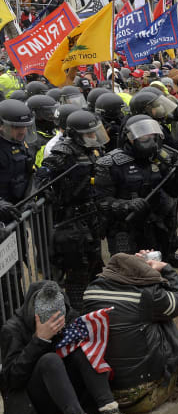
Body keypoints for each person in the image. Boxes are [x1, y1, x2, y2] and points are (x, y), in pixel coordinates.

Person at [0, 281, 138, 414]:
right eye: (52, 324)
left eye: (59, 322)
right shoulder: (12, 329)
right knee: (50, 359)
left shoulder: (67, 312)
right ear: (36, 316)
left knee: (84, 349)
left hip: (63, 391)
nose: (56, 327)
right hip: (33, 400)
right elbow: (10, 382)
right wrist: (39, 340)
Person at [82, 252, 178, 413]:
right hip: (144, 396)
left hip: (106, 392)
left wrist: (135, 265)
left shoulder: (91, 291)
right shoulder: (145, 296)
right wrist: (166, 269)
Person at [35, 110, 108, 308]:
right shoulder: (63, 151)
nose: (94, 137)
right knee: (78, 267)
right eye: (89, 134)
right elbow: (43, 176)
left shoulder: (92, 149)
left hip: (90, 213)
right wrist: (44, 190)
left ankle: (93, 304)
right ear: (76, 134)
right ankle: (76, 310)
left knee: (94, 260)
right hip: (71, 218)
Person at [95, 114, 178, 271]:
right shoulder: (110, 163)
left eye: (151, 135)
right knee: (128, 272)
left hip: (156, 226)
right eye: (143, 136)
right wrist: (127, 205)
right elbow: (101, 201)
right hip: (125, 228)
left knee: (156, 273)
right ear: (129, 137)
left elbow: (174, 190)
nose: (149, 139)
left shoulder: (159, 157)